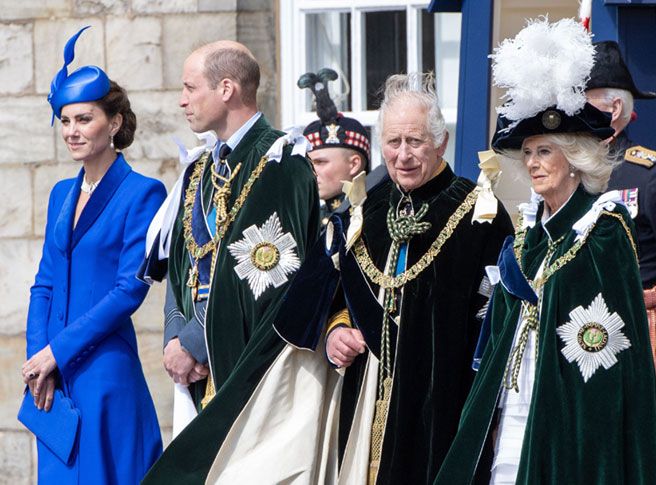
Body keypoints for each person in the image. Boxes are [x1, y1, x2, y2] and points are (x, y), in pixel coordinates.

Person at [238, 71, 513, 485]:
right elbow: (326, 298)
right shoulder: (362, 212)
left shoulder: (480, 214)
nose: (402, 155)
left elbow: (494, 321)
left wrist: (485, 410)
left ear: (441, 142)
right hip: (365, 402)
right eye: (393, 142)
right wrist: (336, 330)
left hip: (444, 404)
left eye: (415, 141)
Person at [435, 18, 656, 484]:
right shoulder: (524, 238)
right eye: (528, 153)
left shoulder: (602, 232)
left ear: (573, 158)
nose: (533, 163)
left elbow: (606, 352)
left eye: (545, 151)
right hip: (515, 405)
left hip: (573, 420)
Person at [140, 40, 319, 484]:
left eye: (189, 87)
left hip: (244, 363)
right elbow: (181, 266)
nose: (182, 100)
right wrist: (174, 341)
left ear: (226, 88)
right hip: (192, 367)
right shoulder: (199, 169)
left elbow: (269, 276)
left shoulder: (282, 160)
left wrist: (196, 343)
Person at [20, 26, 165, 483]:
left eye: (84, 119)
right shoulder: (61, 193)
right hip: (53, 381)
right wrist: (37, 357)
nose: (72, 131)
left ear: (115, 123)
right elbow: (44, 282)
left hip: (104, 370)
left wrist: (56, 352)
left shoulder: (142, 192)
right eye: (65, 120)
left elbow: (128, 291)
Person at [585, 40, 656, 397]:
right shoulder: (574, 178)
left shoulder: (655, 177)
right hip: (585, 332)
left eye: (580, 104)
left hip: (645, 335)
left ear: (614, 108)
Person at [298, 67, 372, 226]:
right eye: (309, 164)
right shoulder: (310, 220)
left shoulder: (373, 215)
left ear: (354, 164)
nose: (311, 173)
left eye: (320, 163)